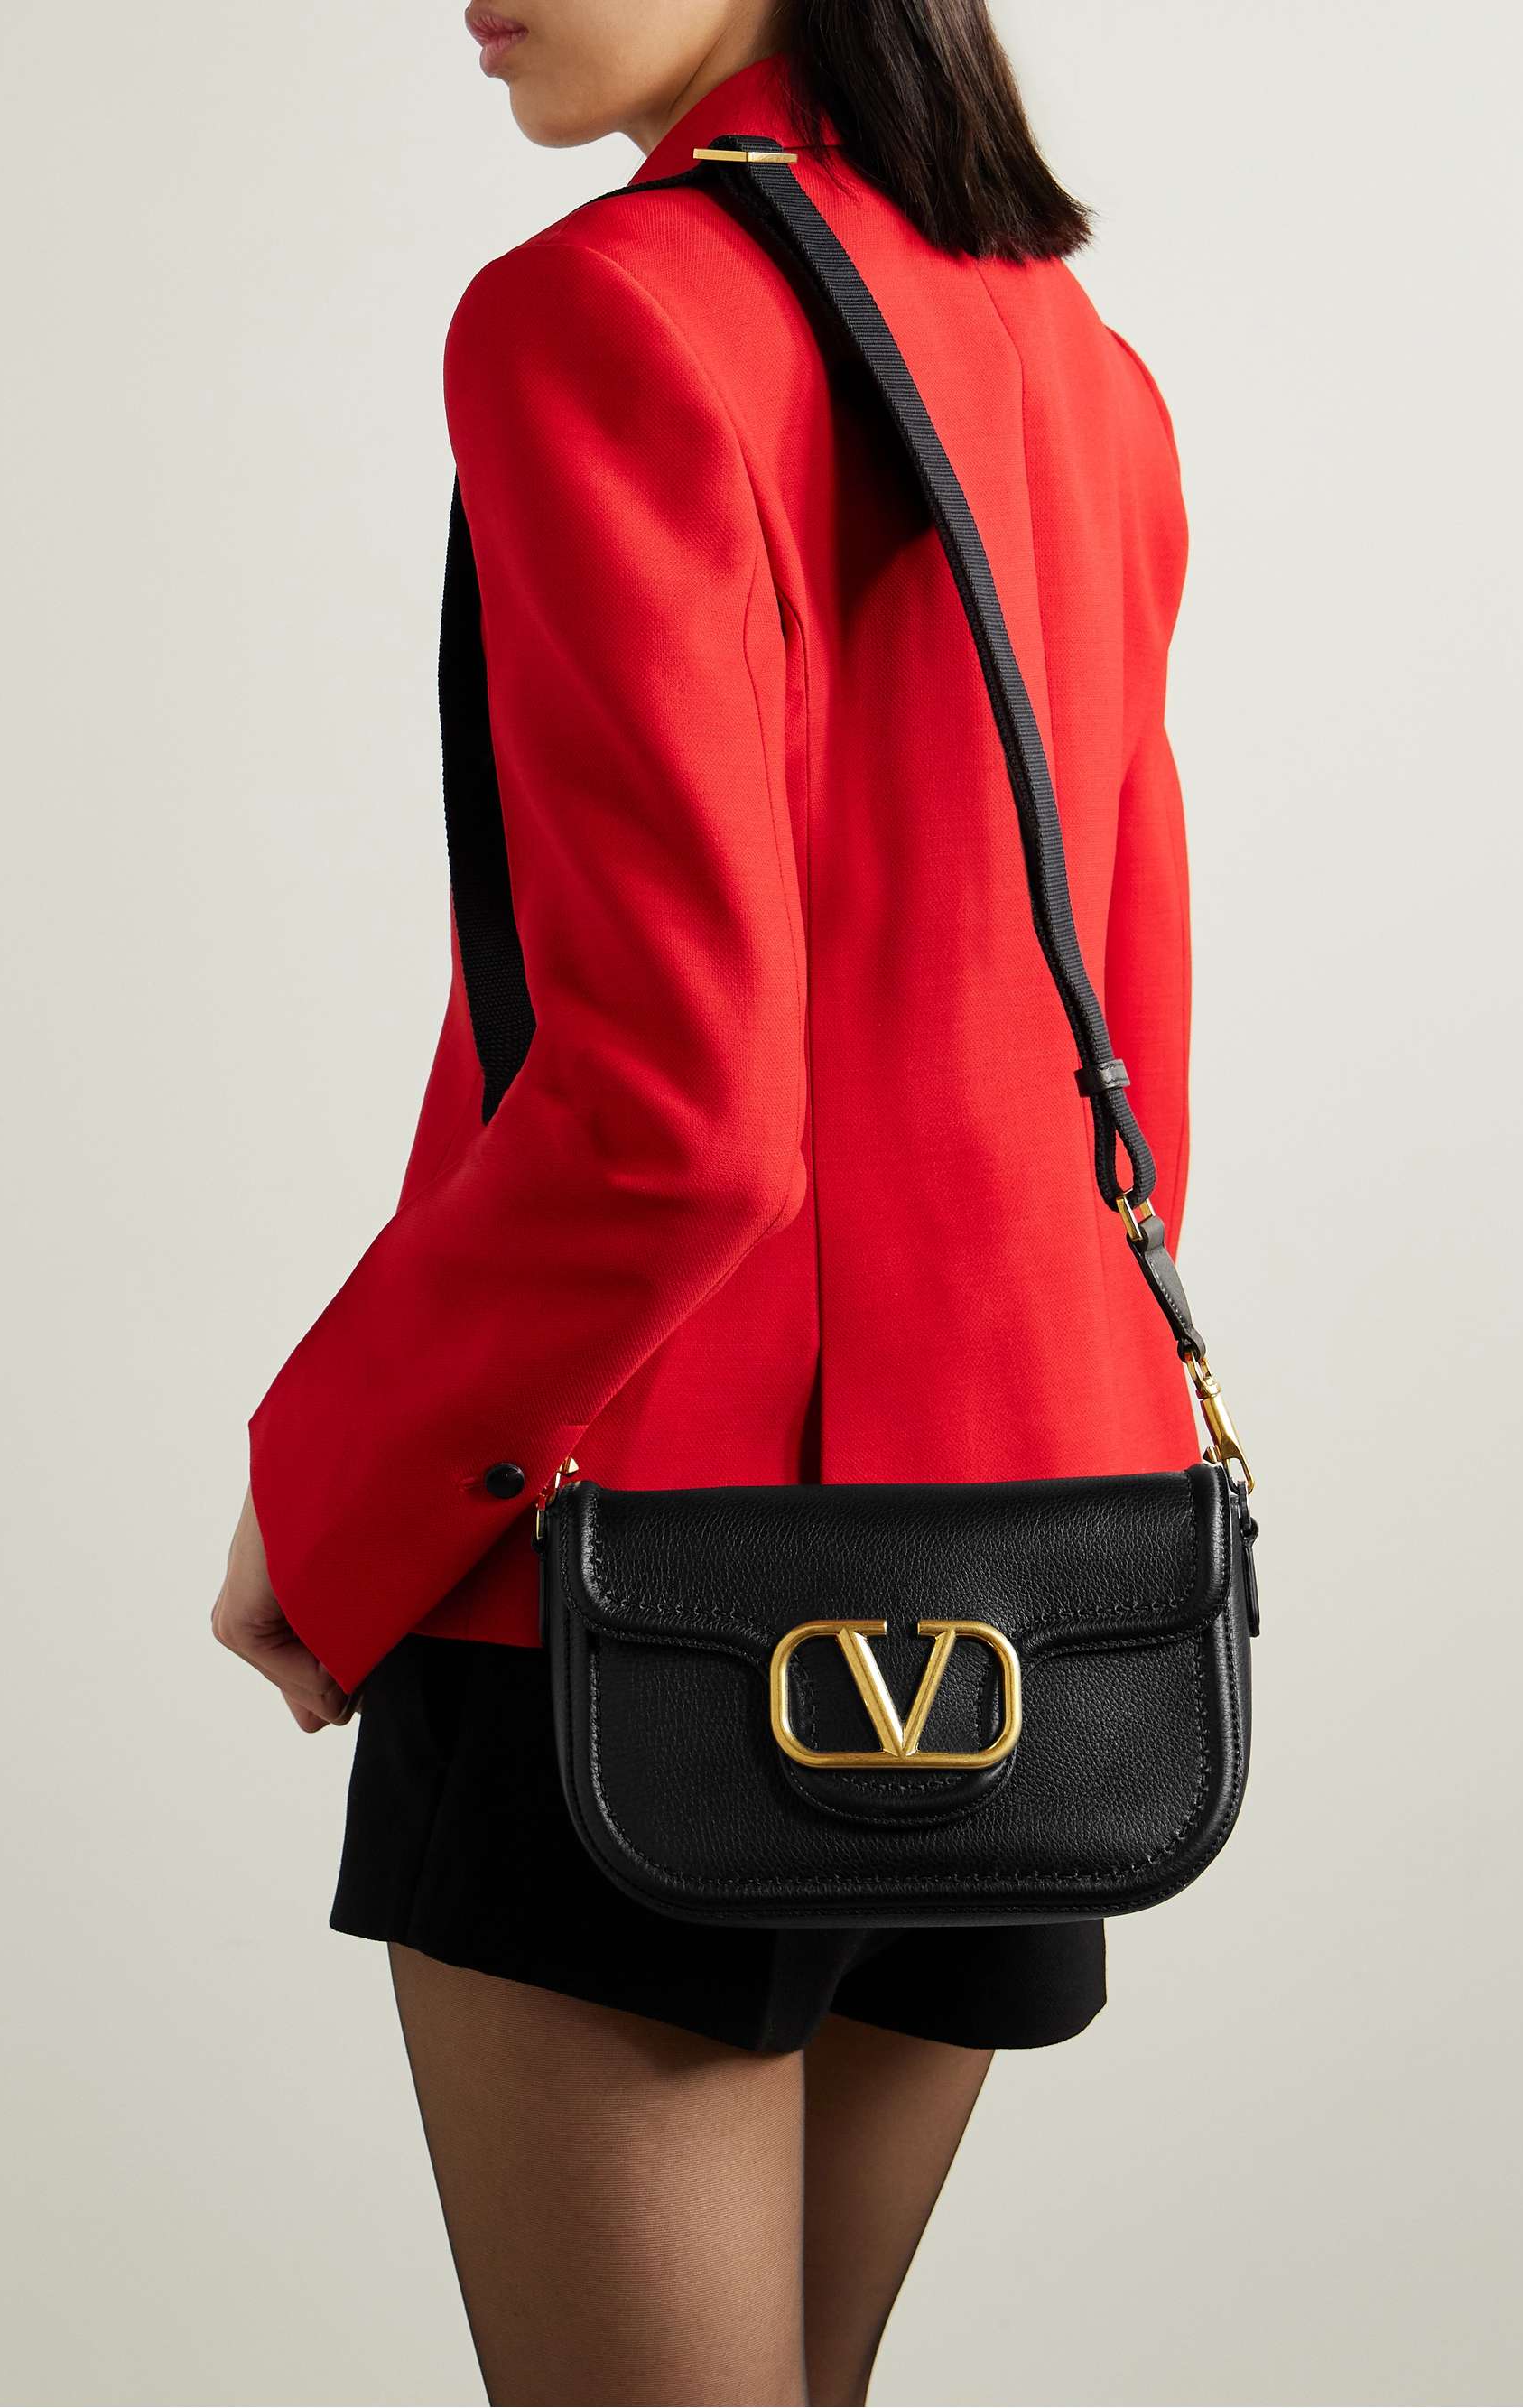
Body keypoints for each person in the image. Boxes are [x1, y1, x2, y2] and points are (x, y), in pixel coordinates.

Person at [214, 4, 1199, 2398]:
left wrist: (333, 1495)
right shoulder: (1082, 372)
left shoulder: (605, 315)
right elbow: (1128, 1062)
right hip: (1035, 1609)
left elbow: (671, 1114)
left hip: (630, 1605)